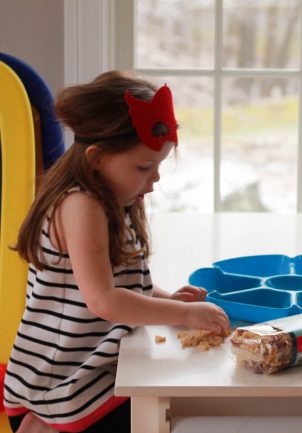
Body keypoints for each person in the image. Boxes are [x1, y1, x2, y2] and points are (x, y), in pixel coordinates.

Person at [2, 71, 230, 433]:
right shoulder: (80, 205)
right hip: (60, 386)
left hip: (92, 370)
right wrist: (183, 316)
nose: (154, 179)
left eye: (157, 167)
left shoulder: (110, 202)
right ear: (96, 157)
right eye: (144, 167)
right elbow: (104, 300)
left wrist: (170, 300)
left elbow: (120, 284)